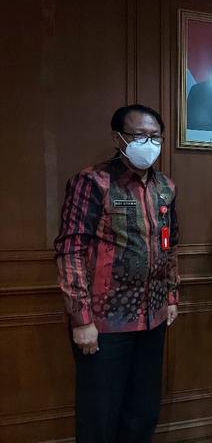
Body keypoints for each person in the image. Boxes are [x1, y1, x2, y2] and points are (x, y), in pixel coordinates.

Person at [54, 105, 179, 443]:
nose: (148, 143)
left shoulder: (165, 186)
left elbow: (170, 244)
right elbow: (70, 249)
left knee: (143, 412)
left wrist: (171, 295)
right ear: (118, 138)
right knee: (100, 415)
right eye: (139, 135)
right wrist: (81, 319)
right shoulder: (92, 182)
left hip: (152, 318)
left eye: (155, 137)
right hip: (105, 322)